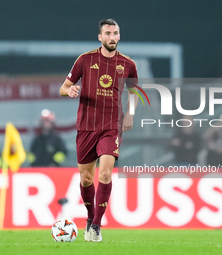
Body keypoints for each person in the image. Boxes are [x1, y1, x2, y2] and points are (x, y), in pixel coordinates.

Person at [59, 18, 138, 242]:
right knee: (86, 179)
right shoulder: (85, 60)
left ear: (119, 36)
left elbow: (134, 93)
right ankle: (90, 217)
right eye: (108, 33)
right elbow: (63, 88)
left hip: (111, 126)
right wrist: (71, 91)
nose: (112, 37)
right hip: (86, 127)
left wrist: (130, 114)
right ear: (100, 37)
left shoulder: (128, 64)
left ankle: (96, 225)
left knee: (105, 173)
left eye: (115, 33)